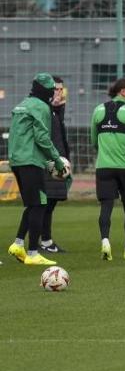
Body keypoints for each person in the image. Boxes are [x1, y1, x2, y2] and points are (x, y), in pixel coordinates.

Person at [7, 73, 66, 266]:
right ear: (46, 90)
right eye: (52, 89)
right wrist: (57, 160)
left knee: (32, 204)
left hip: (17, 160)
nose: (53, 93)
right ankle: (33, 253)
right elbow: (41, 137)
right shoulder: (42, 107)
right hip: (30, 161)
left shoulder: (22, 104)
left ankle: (18, 244)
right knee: (40, 204)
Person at [90, 77, 125, 261]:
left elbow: (93, 139)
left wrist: (105, 153)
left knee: (106, 206)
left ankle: (105, 240)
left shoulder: (98, 110)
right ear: (123, 91)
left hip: (104, 167)